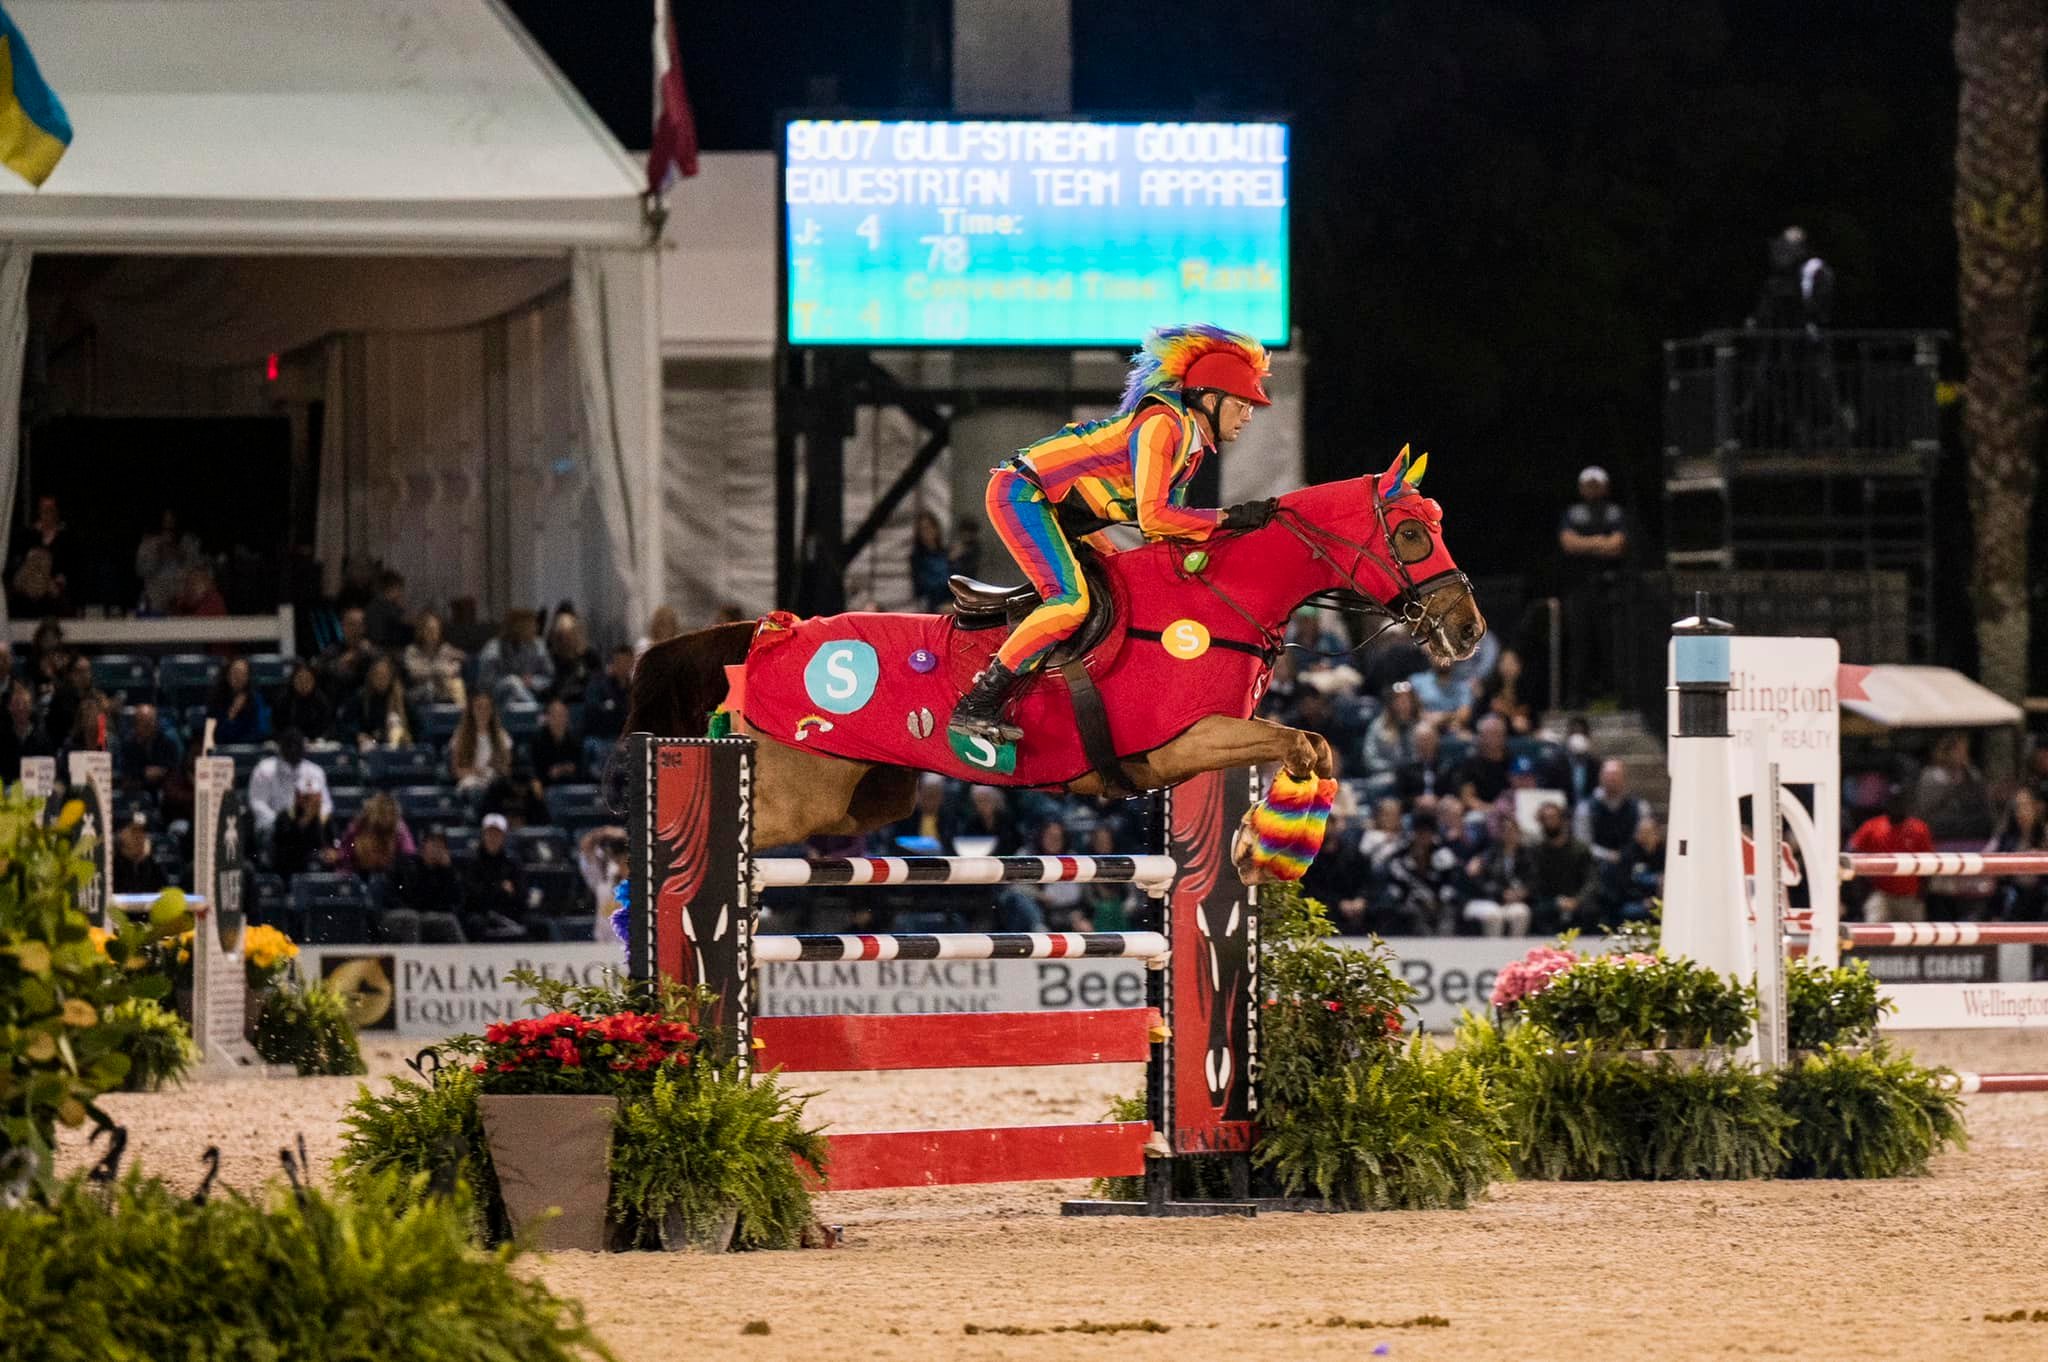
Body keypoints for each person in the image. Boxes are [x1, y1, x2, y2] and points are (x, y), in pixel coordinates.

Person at [949, 324, 1280, 743]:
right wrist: (1229, 518)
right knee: (1070, 603)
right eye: (1243, 403)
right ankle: (976, 704)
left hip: (1060, 511)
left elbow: (1164, 539)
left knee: (1121, 583)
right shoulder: (1163, 425)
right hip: (1022, 494)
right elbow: (1156, 518)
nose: (1250, 414)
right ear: (1211, 400)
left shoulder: (1191, 452)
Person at [1557, 466, 1629, 706]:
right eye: (1588, 485)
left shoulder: (1615, 513)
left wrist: (1585, 543)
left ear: (1606, 487)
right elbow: (1568, 544)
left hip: (1608, 589)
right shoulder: (1572, 513)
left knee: (1609, 643)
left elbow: (1618, 545)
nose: (1592, 489)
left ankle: (1611, 694)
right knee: (1579, 644)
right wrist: (1600, 542)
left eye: (1597, 484)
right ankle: (1577, 698)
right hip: (1578, 589)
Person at [1847, 787, 1935, 923]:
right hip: (1881, 894)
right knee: (1873, 933)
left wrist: (1923, 892)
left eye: (1899, 802)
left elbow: (1929, 863)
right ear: (1887, 803)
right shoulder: (1872, 826)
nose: (1896, 806)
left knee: (1915, 938)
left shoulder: (1919, 829)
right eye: (1893, 801)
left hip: (1910, 896)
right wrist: (1862, 888)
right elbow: (1851, 851)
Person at [385, 827, 467, 944]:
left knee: (449, 921)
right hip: (399, 914)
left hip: (428, 917)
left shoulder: (446, 871)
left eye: (440, 845)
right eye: (433, 843)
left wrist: (448, 871)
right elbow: (396, 896)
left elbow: (456, 902)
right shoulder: (407, 865)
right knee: (411, 918)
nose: (437, 848)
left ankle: (463, 959)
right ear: (423, 845)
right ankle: (412, 959)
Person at [1527, 801, 1598, 935]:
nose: (1549, 822)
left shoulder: (1580, 849)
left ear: (1563, 820)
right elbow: (1535, 883)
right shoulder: (1536, 851)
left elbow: (1591, 880)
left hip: (1579, 902)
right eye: (1545, 819)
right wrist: (1556, 901)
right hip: (1549, 903)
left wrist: (1577, 900)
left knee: (1591, 912)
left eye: (1553, 818)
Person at [246, 728, 330, 840]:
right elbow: (257, 803)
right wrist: (280, 823)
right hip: (273, 828)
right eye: (289, 746)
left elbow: (326, 804)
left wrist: (311, 821)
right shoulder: (264, 769)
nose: (293, 750)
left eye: (297, 746)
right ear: (281, 748)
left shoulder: (315, 771)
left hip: (307, 827)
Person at [1461, 812, 1535, 937]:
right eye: (1505, 830)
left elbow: (1532, 879)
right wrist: (1502, 893)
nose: (1509, 834)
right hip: (1489, 900)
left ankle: (1514, 951)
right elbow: (1483, 882)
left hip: (1514, 901)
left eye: (1512, 830)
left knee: (1521, 913)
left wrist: (1523, 892)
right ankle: (1493, 952)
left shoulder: (1526, 855)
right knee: (1494, 916)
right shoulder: (1489, 855)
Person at [1914, 731, 1992, 842]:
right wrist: (1952, 787)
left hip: (1968, 830)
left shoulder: (1972, 774)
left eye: (1965, 751)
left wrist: (1969, 777)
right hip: (1940, 830)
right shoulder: (1931, 775)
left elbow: (1981, 801)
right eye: (1959, 751)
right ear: (1948, 752)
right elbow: (1926, 807)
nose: (1963, 755)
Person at [462, 813, 528, 941]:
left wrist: (491, 889)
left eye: (497, 834)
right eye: (490, 833)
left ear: (503, 837)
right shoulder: (472, 861)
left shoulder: (513, 862)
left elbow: (521, 894)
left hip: (508, 913)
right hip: (481, 915)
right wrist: (500, 888)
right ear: (483, 835)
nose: (493, 838)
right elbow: (472, 895)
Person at [1987, 789, 2048, 920]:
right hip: (2012, 893)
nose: (2022, 811)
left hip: (2042, 896)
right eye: (2018, 807)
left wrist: (2041, 857)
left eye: (2026, 805)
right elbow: (1985, 859)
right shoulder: (2005, 836)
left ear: (2037, 807)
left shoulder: (2045, 834)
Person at [1574, 760, 1646, 870]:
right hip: (1595, 868)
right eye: (1608, 775)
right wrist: (1607, 855)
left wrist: (1623, 855)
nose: (1612, 779)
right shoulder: (1585, 807)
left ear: (1624, 778)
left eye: (1616, 775)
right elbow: (1582, 843)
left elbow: (1643, 840)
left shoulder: (1640, 807)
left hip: (1631, 867)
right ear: (1600, 777)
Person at [476, 609, 553, 708]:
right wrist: (514, 681)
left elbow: (549, 677)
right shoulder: (494, 648)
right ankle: (534, 709)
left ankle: (530, 708)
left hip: (532, 691)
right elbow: (485, 684)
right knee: (513, 682)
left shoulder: (538, 645)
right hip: (500, 696)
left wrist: (532, 681)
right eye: (531, 625)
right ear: (518, 627)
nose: (535, 628)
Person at [337, 655, 415, 751]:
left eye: (385, 675)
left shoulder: (402, 699)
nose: (381, 679)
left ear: (391, 677)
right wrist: (358, 735)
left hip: (398, 748)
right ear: (371, 676)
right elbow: (346, 724)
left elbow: (417, 727)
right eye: (377, 675)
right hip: (368, 748)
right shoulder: (360, 698)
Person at [135, 510, 202, 615]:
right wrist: (158, 555)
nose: (169, 523)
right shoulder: (148, 542)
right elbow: (141, 571)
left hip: (182, 602)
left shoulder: (187, 541)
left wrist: (180, 555)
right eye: (165, 520)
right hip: (156, 600)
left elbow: (197, 571)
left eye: (172, 520)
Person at [450, 691, 514, 796]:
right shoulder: (460, 736)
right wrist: (476, 772)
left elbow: (507, 769)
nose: (483, 712)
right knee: (476, 791)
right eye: (479, 707)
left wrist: (494, 770)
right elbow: (457, 770)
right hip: (470, 782)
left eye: (487, 707)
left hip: (494, 782)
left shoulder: (502, 736)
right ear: (472, 711)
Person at [338, 791, 414, 878]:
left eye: (389, 813)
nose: (386, 817)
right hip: (359, 876)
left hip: (392, 879)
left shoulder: (399, 829)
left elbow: (409, 857)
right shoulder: (357, 828)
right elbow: (344, 858)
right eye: (382, 812)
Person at [114, 703, 181, 800]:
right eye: (144, 723)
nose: (148, 726)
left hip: (164, 790)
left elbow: (174, 768)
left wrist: (160, 772)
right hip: (137, 790)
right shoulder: (128, 745)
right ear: (136, 724)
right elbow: (126, 771)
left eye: (151, 722)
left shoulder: (168, 743)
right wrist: (144, 773)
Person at [269, 781, 336, 877]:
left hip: (320, 866)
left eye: (314, 797)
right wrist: (306, 819)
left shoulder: (324, 818)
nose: (311, 802)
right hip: (292, 867)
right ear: (297, 797)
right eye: (306, 798)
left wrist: (331, 854)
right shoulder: (285, 817)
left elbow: (332, 845)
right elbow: (284, 847)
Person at [401, 611, 466, 707]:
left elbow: (456, 667)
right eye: (429, 629)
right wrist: (440, 669)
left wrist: (435, 670)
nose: (432, 633)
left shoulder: (445, 648)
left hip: (442, 689)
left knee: (457, 683)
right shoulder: (412, 650)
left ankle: (460, 716)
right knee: (430, 687)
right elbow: (415, 673)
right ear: (421, 631)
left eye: (436, 629)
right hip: (419, 690)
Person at [578, 826, 631, 943]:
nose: (621, 863)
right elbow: (585, 849)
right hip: (604, 949)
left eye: (626, 859)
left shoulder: (644, 884)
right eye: (618, 859)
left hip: (631, 948)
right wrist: (602, 832)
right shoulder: (603, 880)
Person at [315, 606, 377, 701]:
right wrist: (339, 663)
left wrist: (370, 655)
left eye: (360, 625)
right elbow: (317, 672)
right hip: (338, 701)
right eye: (352, 624)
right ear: (343, 626)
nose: (356, 629)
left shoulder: (372, 651)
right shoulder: (331, 651)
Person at [206, 656, 271, 745]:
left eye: (243, 674)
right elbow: (213, 735)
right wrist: (232, 713)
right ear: (228, 675)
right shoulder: (216, 699)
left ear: (248, 677)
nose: (238, 677)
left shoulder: (256, 699)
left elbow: (261, 731)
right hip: (222, 750)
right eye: (235, 673)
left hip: (250, 749)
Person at [1453, 715, 1512, 813]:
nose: (1493, 739)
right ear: (1480, 737)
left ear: (1504, 736)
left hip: (1510, 812)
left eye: (1497, 734)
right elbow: (1467, 799)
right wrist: (1492, 810)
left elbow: (1522, 793)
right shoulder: (1470, 763)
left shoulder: (1513, 761)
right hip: (1480, 812)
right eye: (1488, 735)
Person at [1473, 648, 1534, 735]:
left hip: (1521, 738)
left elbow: (1534, 721)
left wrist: (1527, 726)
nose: (1507, 667)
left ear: (1519, 666)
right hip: (1492, 738)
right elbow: (1476, 719)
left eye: (1512, 663)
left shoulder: (1528, 692)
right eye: (1504, 662)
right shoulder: (1489, 690)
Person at [0, 682, 53, 782]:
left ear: (31, 707)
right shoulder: (3, 737)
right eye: (16, 704)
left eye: (25, 704)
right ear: (9, 708)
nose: (20, 708)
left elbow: (48, 773)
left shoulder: (43, 738)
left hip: (35, 789)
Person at [544, 611, 599, 703]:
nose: (566, 641)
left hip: (585, 700)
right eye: (562, 637)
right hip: (561, 701)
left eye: (570, 636)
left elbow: (597, 678)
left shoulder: (590, 655)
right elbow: (554, 683)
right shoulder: (554, 657)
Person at [583, 645, 634, 743]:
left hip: (625, 737)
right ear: (612, 663)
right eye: (619, 661)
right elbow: (593, 714)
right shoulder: (598, 684)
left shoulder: (632, 688)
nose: (623, 665)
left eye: (627, 661)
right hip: (601, 736)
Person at [273, 662, 335, 743]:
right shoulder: (283, 699)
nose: (303, 684)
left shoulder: (322, 701)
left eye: (307, 680)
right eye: (300, 679)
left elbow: (329, 727)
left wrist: (321, 739)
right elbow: (276, 727)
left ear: (314, 681)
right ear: (293, 680)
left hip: (316, 744)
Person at [1407, 660, 1475, 732]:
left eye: (1448, 655)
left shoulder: (1463, 685)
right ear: (1431, 657)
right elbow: (1411, 710)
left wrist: (1442, 717)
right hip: (1424, 727)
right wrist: (1426, 718)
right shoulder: (1417, 681)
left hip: (1452, 729)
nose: (1444, 659)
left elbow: (1464, 715)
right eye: (1440, 655)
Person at [1392, 721, 1450, 803]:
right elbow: (1400, 796)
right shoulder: (1404, 768)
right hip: (1413, 811)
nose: (1425, 744)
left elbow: (1453, 793)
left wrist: (1438, 800)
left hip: (1442, 808)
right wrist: (1416, 801)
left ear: (1436, 740)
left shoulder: (1447, 765)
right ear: (1414, 742)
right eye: (1421, 740)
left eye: (1428, 739)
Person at [8, 546, 69, 618]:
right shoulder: (15, 595)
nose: (40, 566)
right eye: (35, 561)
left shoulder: (54, 596)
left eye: (46, 564)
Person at [112, 814, 166, 895]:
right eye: (134, 831)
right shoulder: (112, 867)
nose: (140, 836)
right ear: (121, 834)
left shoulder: (154, 867)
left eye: (144, 831)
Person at [910, 509, 952, 612]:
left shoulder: (946, 553)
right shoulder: (918, 557)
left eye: (930, 527)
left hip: (952, 601)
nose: (928, 532)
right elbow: (922, 586)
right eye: (923, 529)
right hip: (932, 603)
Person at [362, 570, 411, 649]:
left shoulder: (373, 603)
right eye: (399, 589)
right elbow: (403, 622)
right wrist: (400, 608)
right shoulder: (385, 606)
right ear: (392, 588)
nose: (401, 593)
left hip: (377, 643)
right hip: (384, 646)